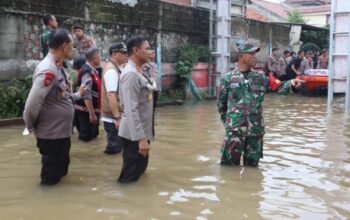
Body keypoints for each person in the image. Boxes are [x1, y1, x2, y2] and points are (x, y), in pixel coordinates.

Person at [217, 43, 303, 167]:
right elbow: (221, 105)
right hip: (234, 131)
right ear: (241, 56)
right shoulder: (228, 79)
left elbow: (278, 86)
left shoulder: (261, 77)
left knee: (252, 168)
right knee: (228, 167)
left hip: (255, 132)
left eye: (255, 53)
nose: (255, 56)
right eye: (251, 53)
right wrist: (229, 124)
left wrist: (292, 84)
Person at [23, 28, 87, 185]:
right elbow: (31, 105)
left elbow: (61, 96)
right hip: (52, 135)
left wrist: (78, 95)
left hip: (60, 133)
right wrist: (32, 128)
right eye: (72, 45)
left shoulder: (58, 66)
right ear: (64, 46)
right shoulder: (48, 69)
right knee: (50, 181)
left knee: (61, 172)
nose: (74, 49)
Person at [117, 36, 154, 183]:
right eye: (147, 48)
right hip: (134, 135)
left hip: (141, 132)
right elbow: (131, 109)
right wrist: (141, 139)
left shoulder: (139, 70)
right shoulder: (131, 74)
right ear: (136, 50)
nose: (150, 51)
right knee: (129, 177)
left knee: (139, 172)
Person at [101, 42, 128, 155]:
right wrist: (117, 118)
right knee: (115, 148)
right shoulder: (111, 70)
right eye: (123, 53)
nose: (126, 55)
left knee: (117, 146)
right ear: (114, 54)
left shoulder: (116, 68)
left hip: (114, 116)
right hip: (113, 117)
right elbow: (111, 95)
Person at [74, 47, 102, 141]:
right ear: (95, 59)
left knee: (93, 136)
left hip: (92, 110)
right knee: (86, 137)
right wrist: (92, 114)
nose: (101, 59)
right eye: (99, 57)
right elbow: (86, 94)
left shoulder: (93, 71)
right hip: (86, 112)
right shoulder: (87, 72)